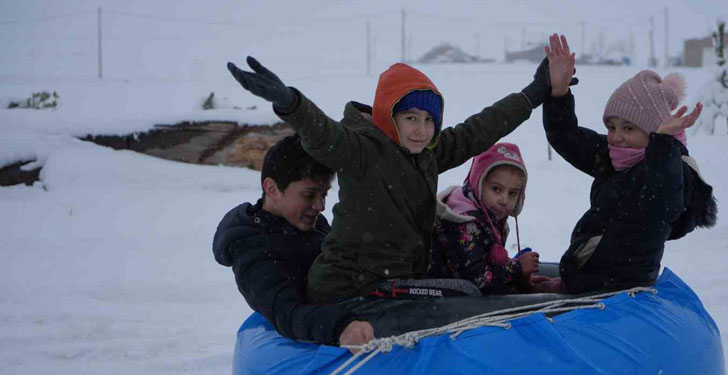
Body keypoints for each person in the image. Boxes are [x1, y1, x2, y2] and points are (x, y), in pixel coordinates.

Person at [226, 50, 564, 303]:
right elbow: (324, 135)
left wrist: (533, 94)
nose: (420, 130)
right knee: (465, 294)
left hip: (397, 279)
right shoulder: (362, 152)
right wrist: (289, 103)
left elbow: (479, 128)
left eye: (428, 120)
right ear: (389, 116)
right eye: (411, 118)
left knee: (464, 289)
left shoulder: (428, 153)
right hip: (354, 286)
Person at [540, 34, 717, 295]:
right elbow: (566, 136)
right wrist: (559, 93)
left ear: (653, 132)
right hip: (588, 278)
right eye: (611, 127)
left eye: (629, 128)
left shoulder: (670, 169)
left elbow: (661, 206)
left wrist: (664, 143)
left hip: (621, 291)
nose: (616, 136)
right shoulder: (615, 156)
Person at [212, 135, 374, 350]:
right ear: (272, 189)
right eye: (309, 195)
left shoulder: (310, 223)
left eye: (324, 195)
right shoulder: (252, 247)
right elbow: (287, 313)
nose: (320, 206)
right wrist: (341, 326)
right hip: (303, 347)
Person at [429, 142, 542, 295]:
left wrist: (518, 278)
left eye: (513, 193)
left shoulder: (488, 214)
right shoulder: (464, 223)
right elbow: (476, 281)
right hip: (446, 301)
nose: (504, 199)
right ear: (478, 183)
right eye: (496, 189)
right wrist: (517, 269)